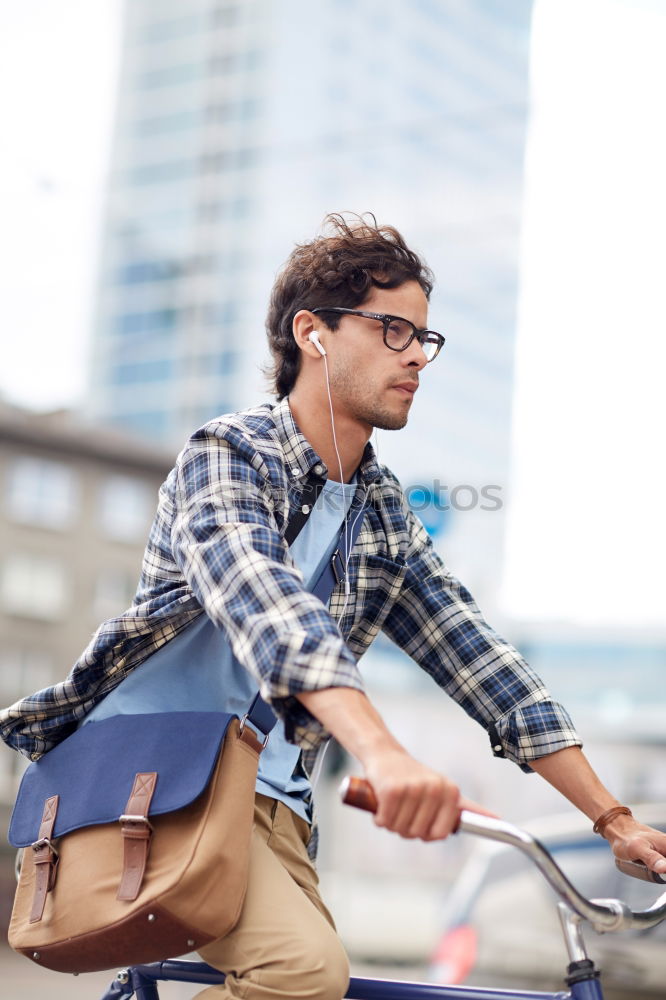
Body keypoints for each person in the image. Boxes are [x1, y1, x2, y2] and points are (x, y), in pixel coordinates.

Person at [2, 213, 665, 1000]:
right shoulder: (228, 455)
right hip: (149, 789)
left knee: (321, 985)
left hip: (276, 811)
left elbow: (485, 666)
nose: (418, 354)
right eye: (392, 330)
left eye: (425, 337)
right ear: (312, 332)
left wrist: (614, 819)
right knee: (303, 976)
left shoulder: (383, 514)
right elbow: (271, 611)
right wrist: (383, 755)